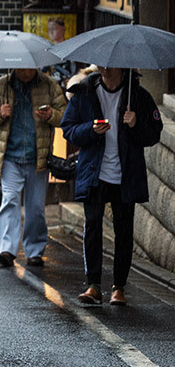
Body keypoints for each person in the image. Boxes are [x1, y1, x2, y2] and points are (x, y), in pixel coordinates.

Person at [61, 67, 162, 306]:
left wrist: (136, 124)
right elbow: (68, 129)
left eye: (110, 64)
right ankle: (93, 285)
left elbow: (154, 134)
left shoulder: (138, 96)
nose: (104, 68)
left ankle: (119, 287)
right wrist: (90, 129)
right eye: (101, 64)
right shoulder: (84, 93)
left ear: (121, 67)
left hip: (126, 174)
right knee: (93, 226)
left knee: (124, 232)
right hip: (95, 173)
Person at [0, 67, 66, 268]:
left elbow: (64, 115)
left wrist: (50, 115)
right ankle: (6, 250)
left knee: (36, 207)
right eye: (22, 68)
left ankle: (35, 251)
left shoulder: (49, 85)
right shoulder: (1, 85)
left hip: (38, 157)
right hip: (10, 156)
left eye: (30, 68)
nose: (26, 71)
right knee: (9, 200)